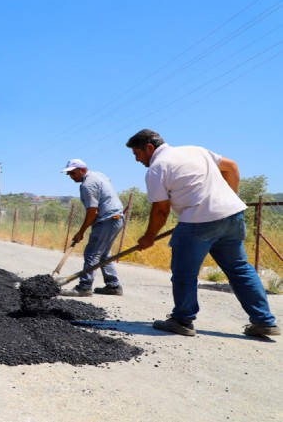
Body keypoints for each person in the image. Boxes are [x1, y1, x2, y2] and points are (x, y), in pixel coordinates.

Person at [126, 129, 279, 337]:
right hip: (232, 216)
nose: (137, 159)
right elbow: (231, 167)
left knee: (184, 273)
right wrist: (224, 202)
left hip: (197, 222)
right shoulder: (195, 150)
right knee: (239, 268)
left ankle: (182, 320)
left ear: (149, 148)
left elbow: (161, 210)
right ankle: (264, 321)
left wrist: (148, 237)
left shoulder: (157, 168)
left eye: (137, 154)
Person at [59, 159, 125, 297]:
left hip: (107, 220)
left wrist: (81, 232)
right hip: (115, 218)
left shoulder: (87, 185)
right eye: (69, 174)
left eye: (73, 173)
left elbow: (92, 212)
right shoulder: (98, 175)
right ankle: (113, 286)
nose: (71, 177)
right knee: (104, 254)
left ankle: (84, 287)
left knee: (92, 253)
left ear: (83, 170)